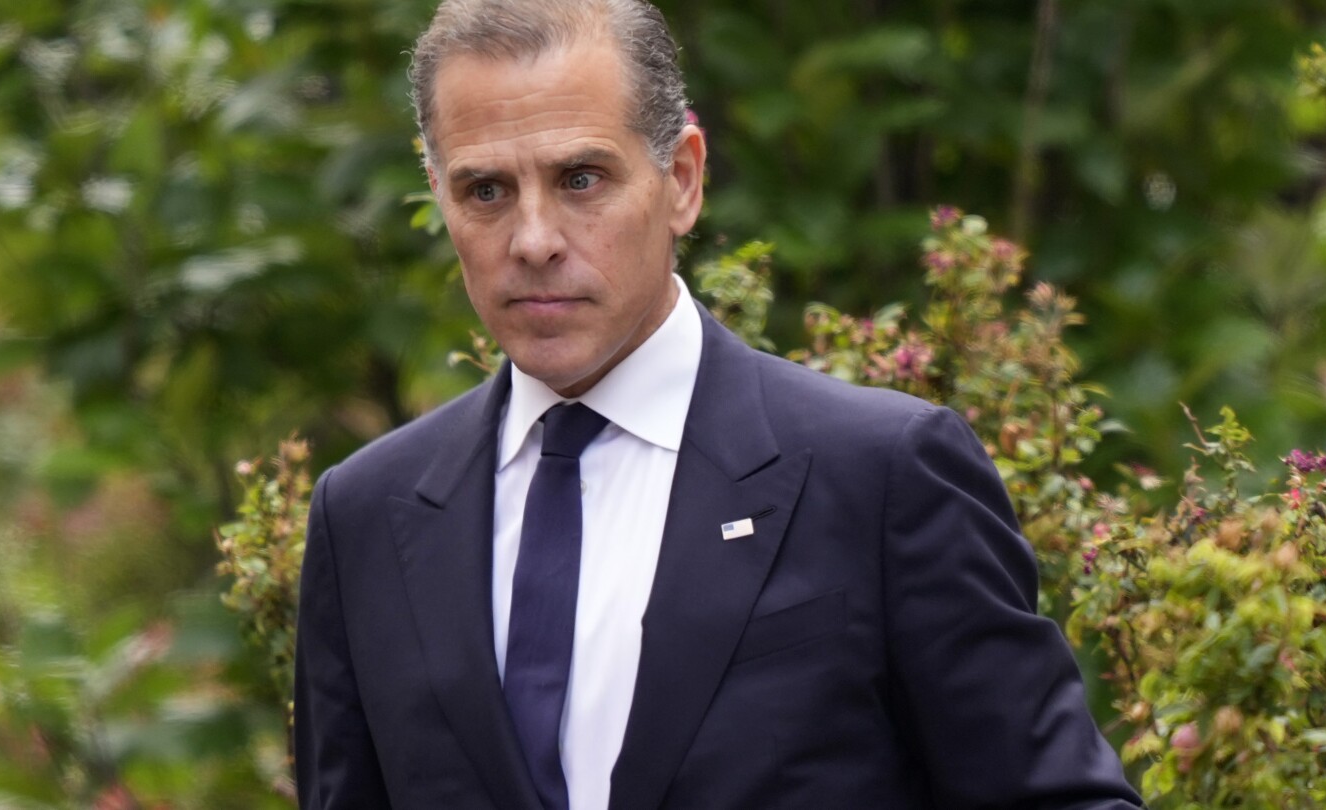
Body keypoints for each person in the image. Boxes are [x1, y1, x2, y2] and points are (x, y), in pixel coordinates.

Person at [292, 0, 1145, 808]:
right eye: (486, 191)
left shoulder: (879, 476)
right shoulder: (366, 517)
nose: (535, 239)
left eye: (581, 178)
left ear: (682, 180)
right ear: (438, 193)